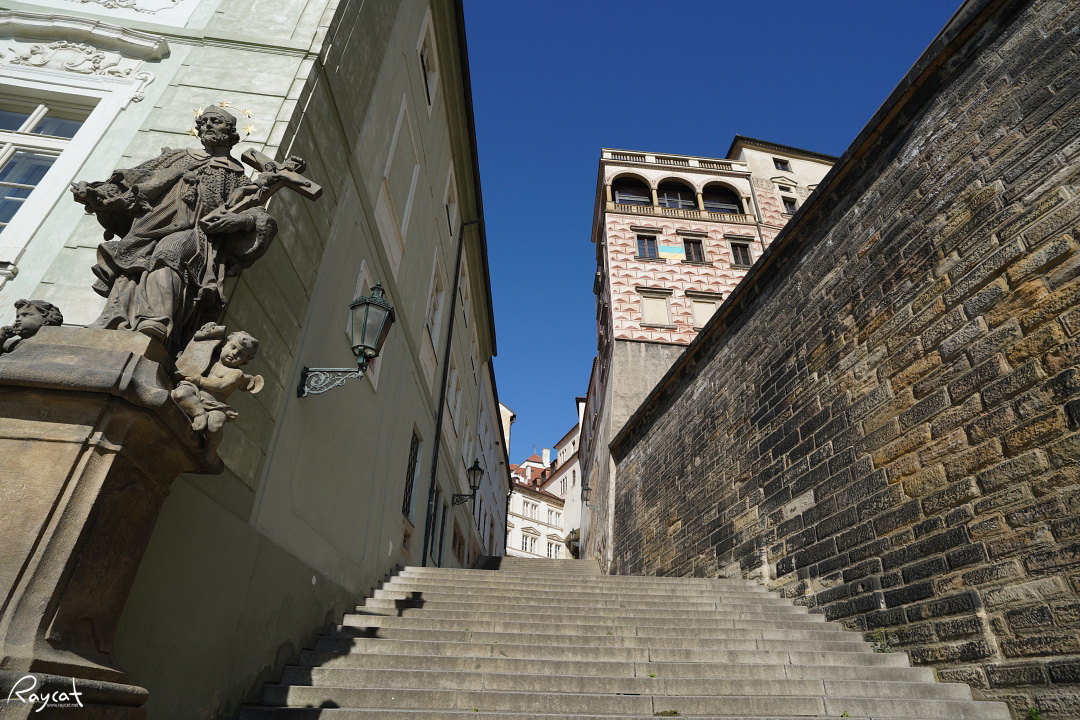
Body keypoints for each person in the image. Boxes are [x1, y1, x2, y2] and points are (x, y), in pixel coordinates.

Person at [71, 105, 276, 354]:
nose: (207, 125)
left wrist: (242, 221)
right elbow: (133, 180)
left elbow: (255, 212)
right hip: (151, 224)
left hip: (197, 231)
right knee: (133, 267)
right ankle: (118, 320)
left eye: (216, 121)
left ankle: (157, 320)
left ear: (231, 131)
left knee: (170, 251)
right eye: (204, 121)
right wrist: (96, 194)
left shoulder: (236, 175)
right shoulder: (177, 157)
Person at [171, 330, 263, 448]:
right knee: (181, 393)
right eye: (233, 347)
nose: (234, 353)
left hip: (214, 405)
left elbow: (221, 385)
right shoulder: (210, 357)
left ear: (245, 360)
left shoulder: (236, 373)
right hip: (195, 393)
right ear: (224, 345)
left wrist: (200, 380)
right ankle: (199, 414)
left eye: (240, 354)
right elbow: (198, 349)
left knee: (215, 425)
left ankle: (210, 451)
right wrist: (208, 328)